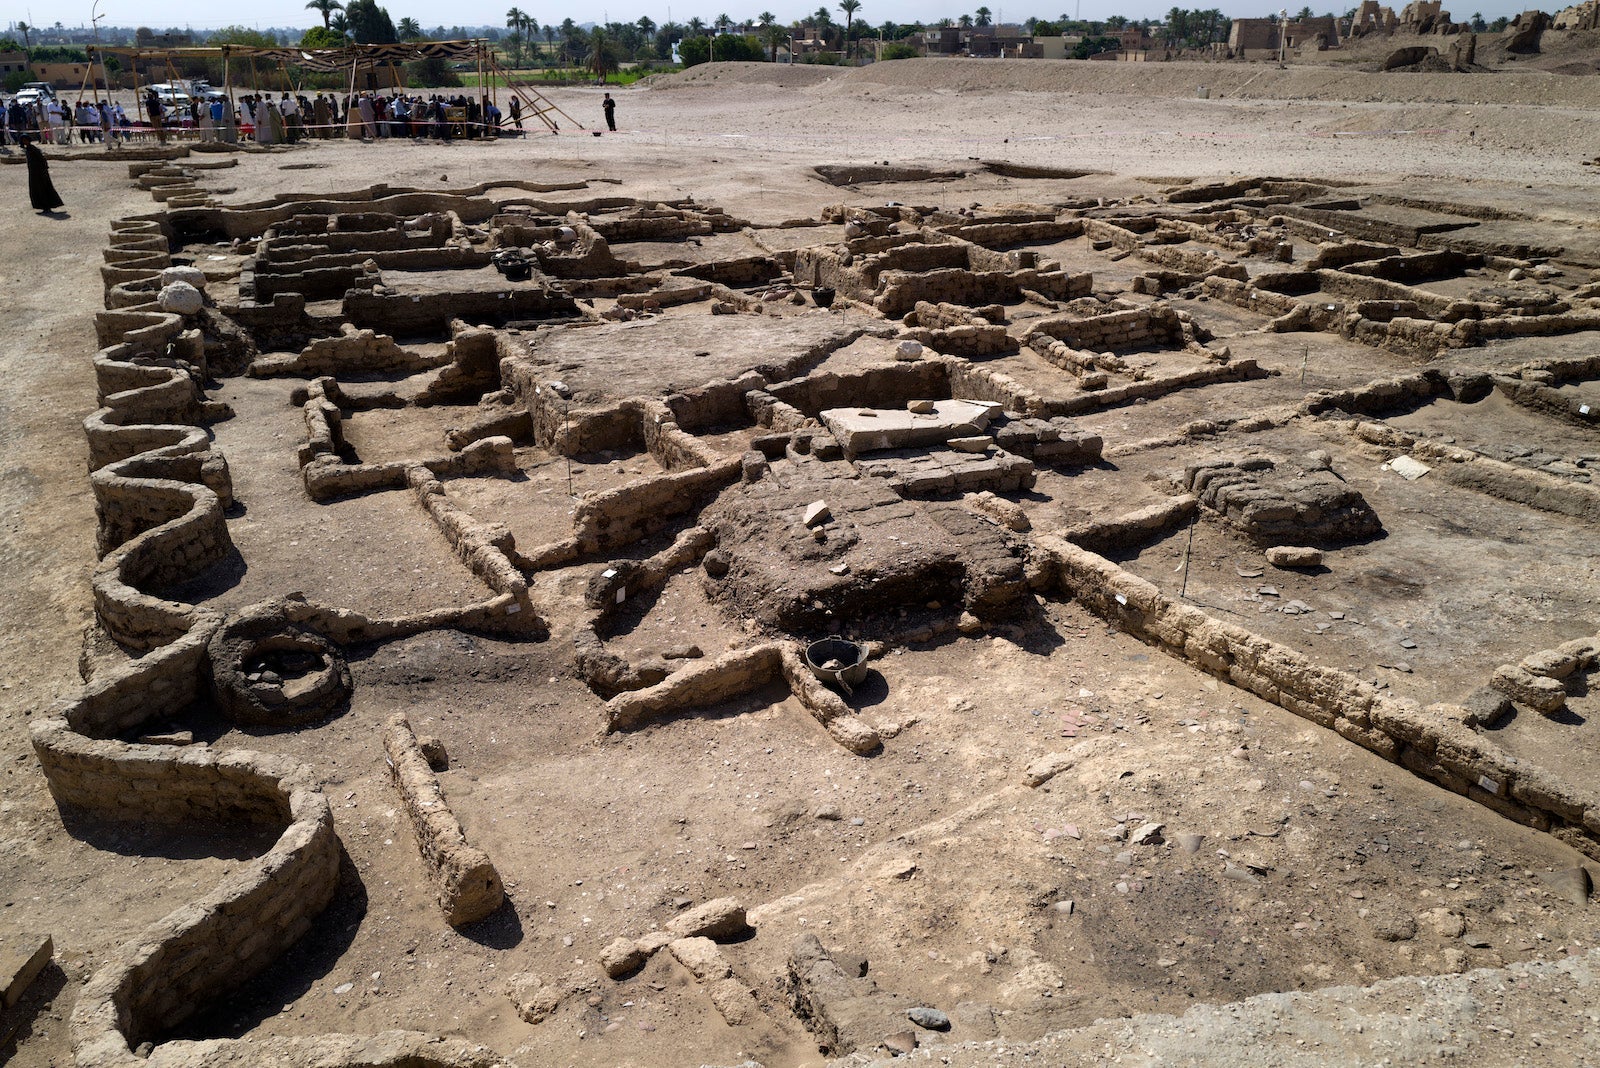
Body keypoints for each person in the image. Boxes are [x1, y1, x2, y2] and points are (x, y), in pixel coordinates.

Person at [23, 135, 64, 213]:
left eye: (25, 140)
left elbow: (42, 159)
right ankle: (41, 205)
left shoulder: (33, 149)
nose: (24, 142)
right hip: (33, 173)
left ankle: (46, 206)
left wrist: (43, 170)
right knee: (36, 189)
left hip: (39, 173)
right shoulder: (28, 149)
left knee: (42, 189)